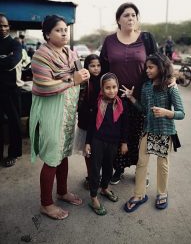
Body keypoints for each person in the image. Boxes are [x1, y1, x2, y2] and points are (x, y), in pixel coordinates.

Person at [29, 15, 90, 220]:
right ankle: (46, 203)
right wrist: (72, 79)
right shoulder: (41, 55)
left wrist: (81, 77)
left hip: (67, 109)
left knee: (63, 152)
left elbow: (77, 75)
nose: (64, 33)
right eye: (58, 30)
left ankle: (62, 191)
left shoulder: (69, 53)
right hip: (51, 110)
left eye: (66, 29)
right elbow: (45, 86)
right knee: (52, 156)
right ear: (47, 34)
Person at [100, 2, 158, 185]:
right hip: (114, 96)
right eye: (126, 15)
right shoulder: (109, 41)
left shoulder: (146, 38)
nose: (130, 18)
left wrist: (168, 80)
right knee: (116, 135)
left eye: (134, 15)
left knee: (140, 135)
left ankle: (142, 171)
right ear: (118, 19)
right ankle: (118, 169)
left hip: (141, 96)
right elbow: (103, 68)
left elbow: (158, 64)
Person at [122, 53, 185, 212]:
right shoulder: (146, 86)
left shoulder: (170, 87)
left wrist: (166, 112)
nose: (147, 70)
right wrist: (131, 98)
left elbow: (181, 113)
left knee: (162, 164)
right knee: (142, 162)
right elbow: (143, 109)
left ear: (160, 67)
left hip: (165, 131)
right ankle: (139, 194)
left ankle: (162, 193)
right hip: (148, 130)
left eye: (151, 67)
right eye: (146, 67)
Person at [85, 73, 128, 215]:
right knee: (95, 169)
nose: (112, 90)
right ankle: (93, 197)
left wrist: (124, 142)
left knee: (109, 168)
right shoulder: (97, 104)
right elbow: (91, 125)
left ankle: (104, 188)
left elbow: (123, 126)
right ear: (102, 89)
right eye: (107, 88)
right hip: (98, 141)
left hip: (113, 142)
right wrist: (88, 143)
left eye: (114, 87)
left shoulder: (121, 104)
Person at [73, 54, 101, 189]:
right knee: (88, 152)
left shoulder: (103, 81)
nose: (96, 69)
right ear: (86, 67)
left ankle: (97, 176)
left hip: (99, 123)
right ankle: (91, 177)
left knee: (98, 152)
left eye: (98, 66)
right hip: (86, 122)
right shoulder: (84, 82)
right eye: (92, 66)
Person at [0, 14, 23, 167]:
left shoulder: (15, 44)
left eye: (5, 25)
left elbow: (11, 62)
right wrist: (3, 58)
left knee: (14, 122)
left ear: (9, 26)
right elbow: (6, 62)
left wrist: (6, 59)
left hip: (11, 90)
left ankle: (14, 153)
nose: (2, 28)